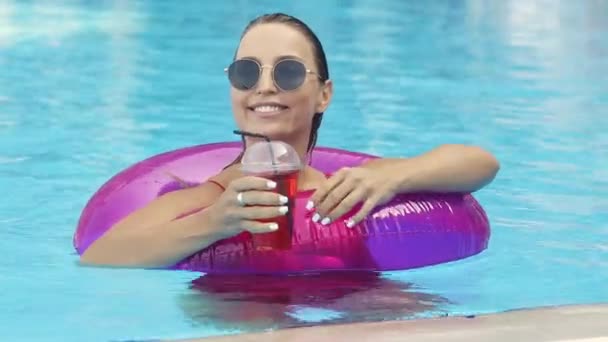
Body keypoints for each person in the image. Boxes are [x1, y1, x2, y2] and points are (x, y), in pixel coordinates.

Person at [80, 13, 500, 268]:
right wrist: (215, 223)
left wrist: (394, 177)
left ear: (324, 94)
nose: (264, 87)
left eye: (288, 73)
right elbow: (100, 256)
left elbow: (481, 163)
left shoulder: (353, 183)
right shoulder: (210, 199)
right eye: (247, 72)